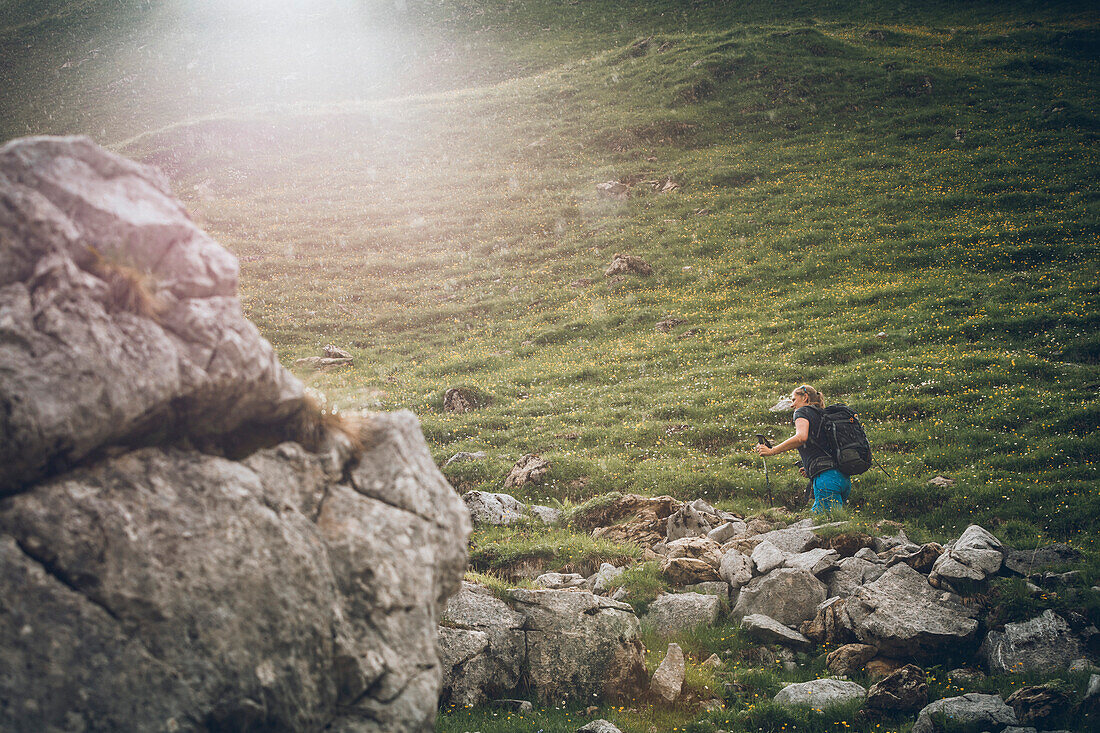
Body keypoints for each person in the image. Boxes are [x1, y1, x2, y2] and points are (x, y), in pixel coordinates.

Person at [753, 384, 850, 513]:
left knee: (822, 525)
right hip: (843, 478)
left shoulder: (802, 411)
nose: (792, 405)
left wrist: (772, 451)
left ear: (805, 397)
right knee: (828, 522)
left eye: (793, 400)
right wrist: (811, 468)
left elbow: (801, 438)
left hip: (826, 479)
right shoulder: (823, 415)